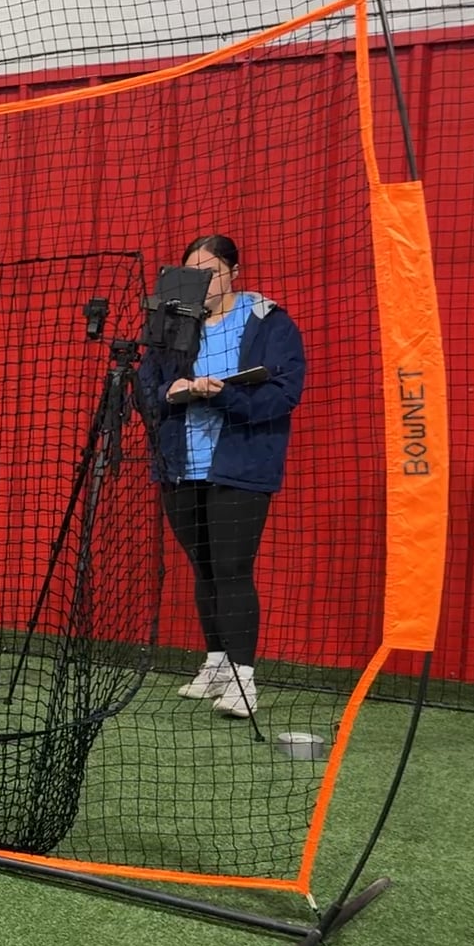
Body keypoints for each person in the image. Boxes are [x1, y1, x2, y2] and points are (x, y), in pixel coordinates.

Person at [136, 235, 305, 718]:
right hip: (180, 465)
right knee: (204, 567)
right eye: (193, 272)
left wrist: (223, 394)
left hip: (241, 466)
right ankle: (215, 663)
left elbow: (283, 394)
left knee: (232, 569)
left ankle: (243, 679)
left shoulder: (270, 321)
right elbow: (144, 389)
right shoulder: (171, 324)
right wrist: (171, 392)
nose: (202, 281)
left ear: (233, 272)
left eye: (210, 271)